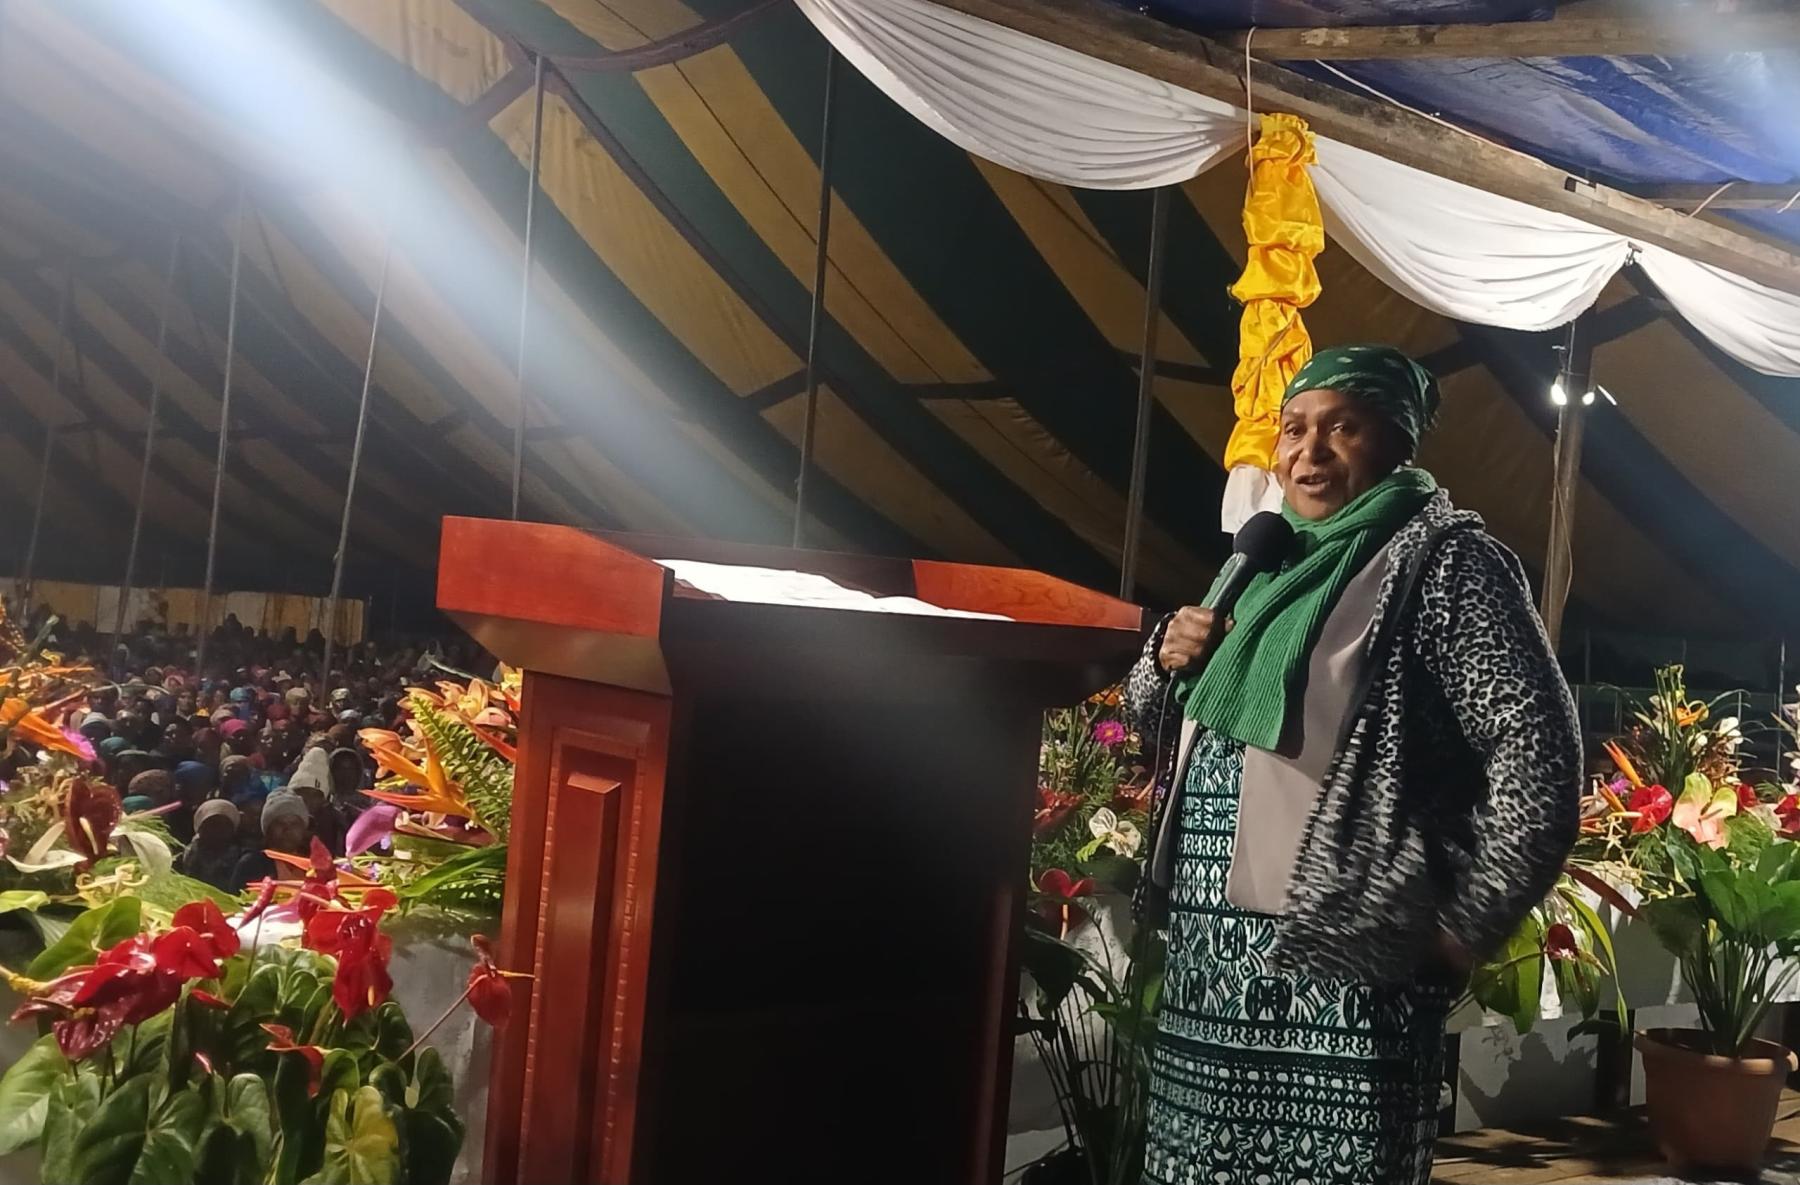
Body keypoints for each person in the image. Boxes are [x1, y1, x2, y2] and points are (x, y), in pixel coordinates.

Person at [1128, 346, 1581, 1185]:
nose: (1309, 452)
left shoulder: (1445, 562)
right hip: (1210, 964)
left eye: (1343, 427)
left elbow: (1539, 751)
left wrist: (1464, 926)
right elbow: (1152, 721)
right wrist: (1166, 656)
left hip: (1349, 963)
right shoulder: (1258, 561)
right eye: (1294, 429)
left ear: (1397, 441)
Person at [233, 790, 310, 887]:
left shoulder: (314, 865)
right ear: (267, 829)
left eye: (294, 824)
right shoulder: (251, 864)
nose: (287, 830)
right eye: (280, 823)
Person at [180, 799, 246, 892]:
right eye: (212, 824)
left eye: (224, 825)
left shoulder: (241, 855)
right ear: (200, 828)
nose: (218, 830)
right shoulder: (192, 852)